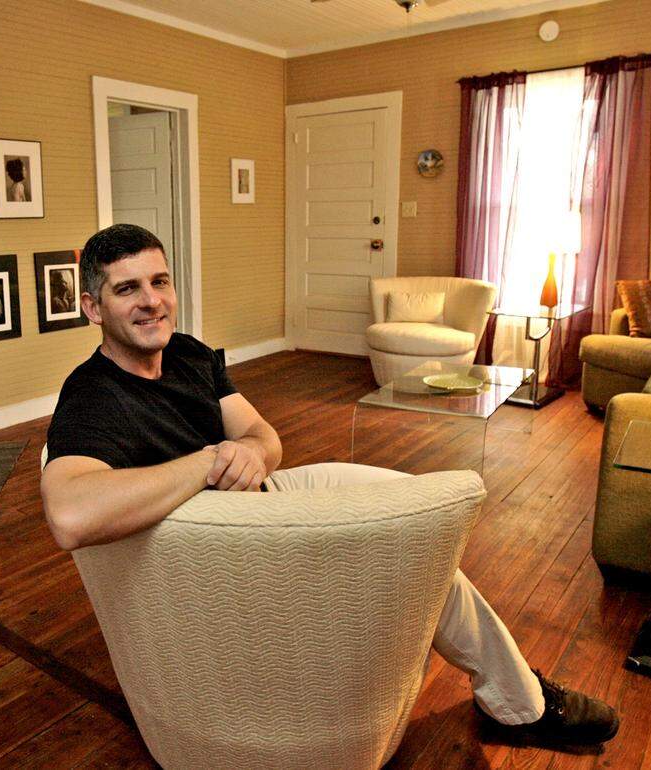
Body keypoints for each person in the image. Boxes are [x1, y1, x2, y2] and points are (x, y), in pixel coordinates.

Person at [41, 223, 619, 748]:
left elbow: (264, 437)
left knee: (409, 510)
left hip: (264, 495)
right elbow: (69, 515)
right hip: (225, 541)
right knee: (413, 551)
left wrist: (248, 450)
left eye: (159, 281)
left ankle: (514, 694)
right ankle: (523, 705)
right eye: (127, 289)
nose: (152, 301)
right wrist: (210, 460)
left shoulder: (187, 353)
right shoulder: (92, 395)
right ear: (92, 306)